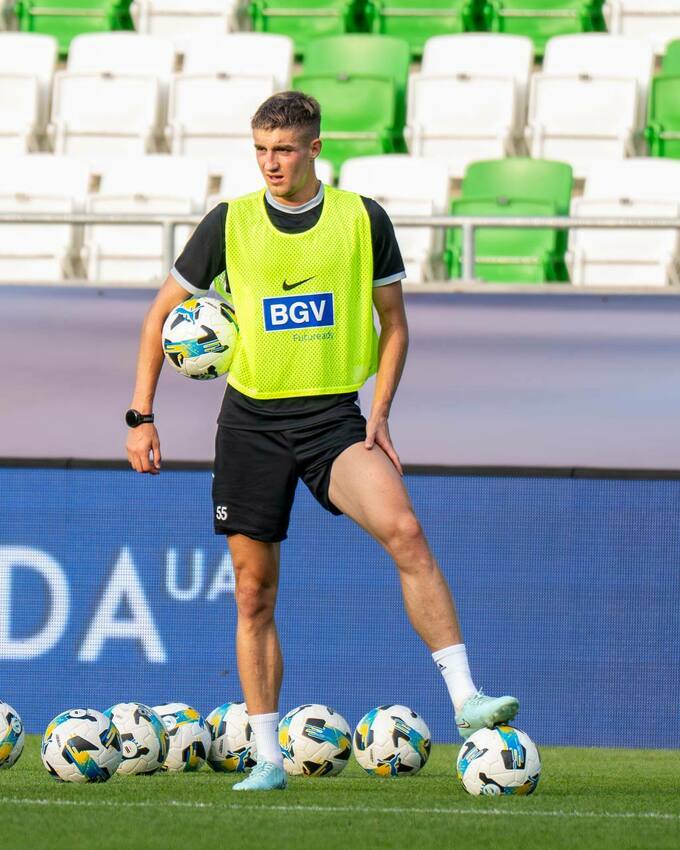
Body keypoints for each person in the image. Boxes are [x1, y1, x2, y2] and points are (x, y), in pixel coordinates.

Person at [126, 91, 519, 792]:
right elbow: (160, 316)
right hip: (249, 423)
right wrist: (141, 415)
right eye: (260, 150)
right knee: (253, 593)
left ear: (314, 148)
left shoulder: (362, 219)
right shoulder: (229, 222)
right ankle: (267, 758)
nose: (270, 163)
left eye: (283, 149)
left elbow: (394, 324)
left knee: (406, 531)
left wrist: (381, 410)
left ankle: (467, 699)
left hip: (335, 420)